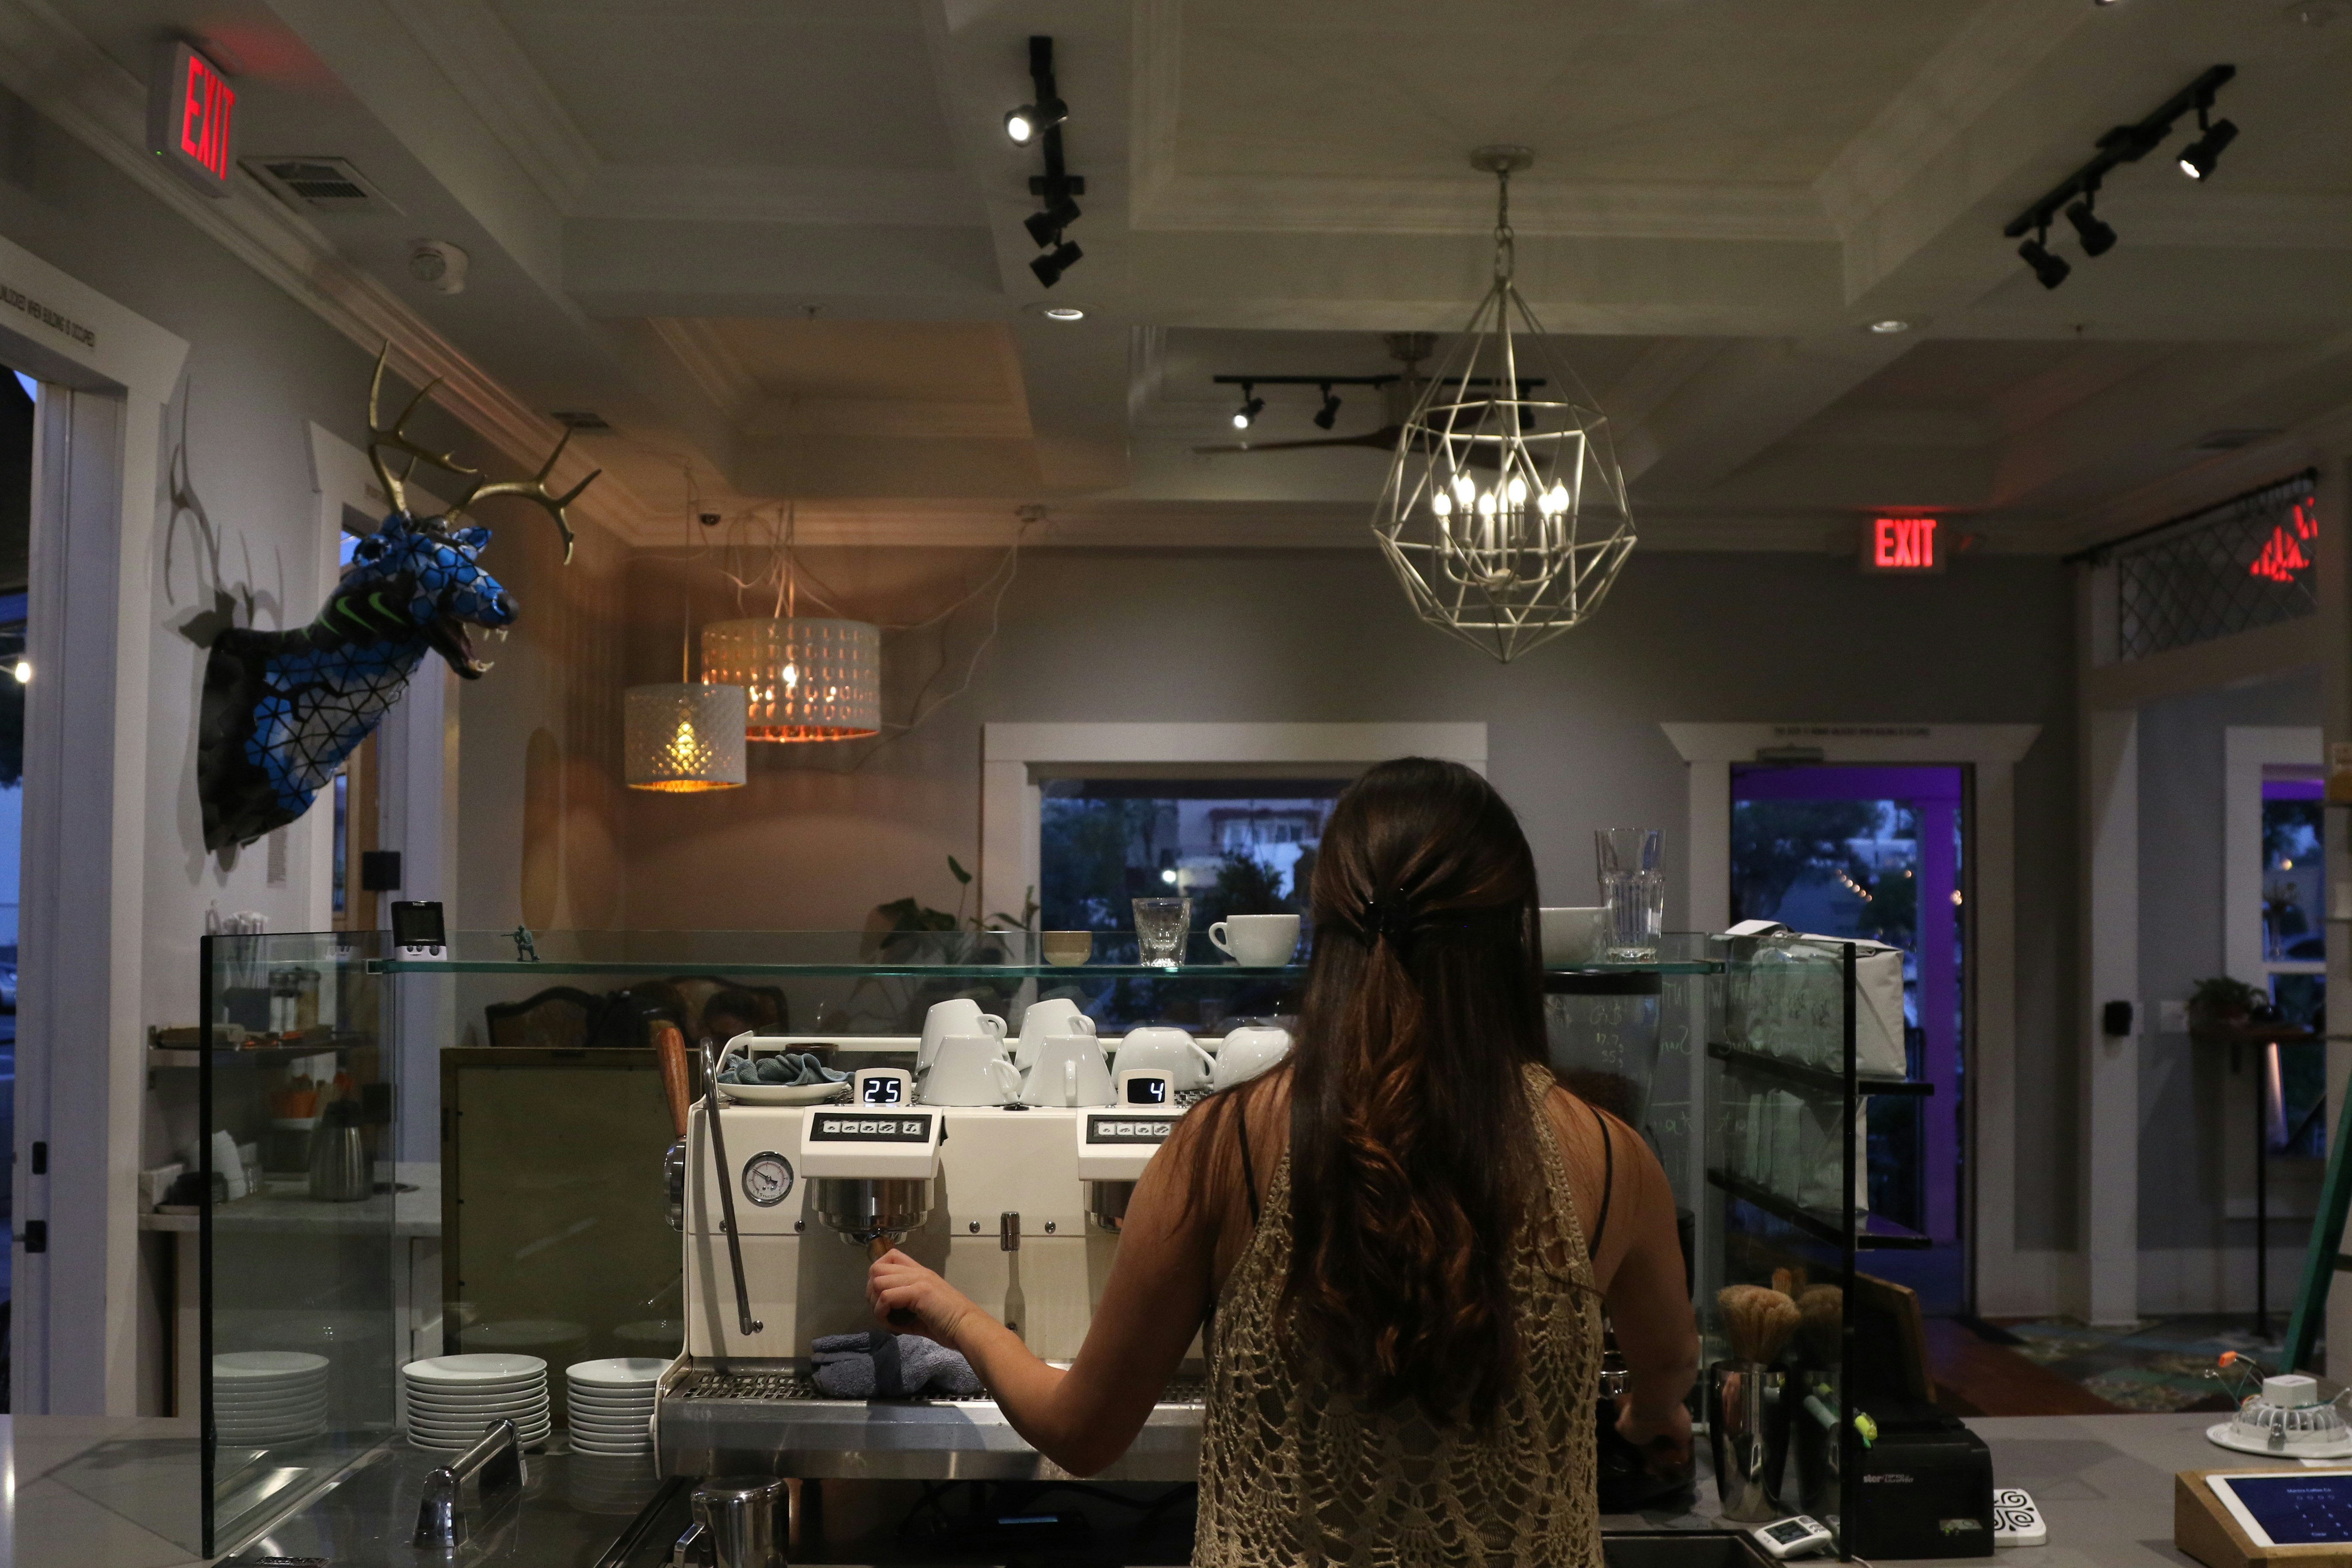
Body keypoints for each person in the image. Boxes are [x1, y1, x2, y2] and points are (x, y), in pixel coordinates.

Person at [868, 757, 1697, 1565]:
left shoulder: (1223, 1144)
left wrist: (957, 1314)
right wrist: (1646, 1417)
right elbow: (1665, 1374)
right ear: (1512, 934)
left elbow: (1083, 1433)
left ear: (1327, 928)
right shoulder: (1615, 1157)